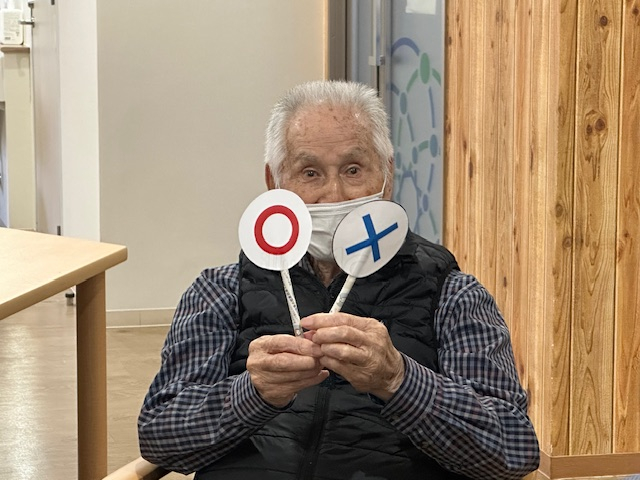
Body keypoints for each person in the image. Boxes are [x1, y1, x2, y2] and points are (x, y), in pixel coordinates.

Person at [138, 80, 540, 480]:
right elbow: (160, 438)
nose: (334, 195)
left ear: (387, 176)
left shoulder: (452, 294)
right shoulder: (221, 291)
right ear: (274, 182)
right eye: (310, 172)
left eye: (353, 170)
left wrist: (399, 380)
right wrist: (252, 393)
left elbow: (512, 450)